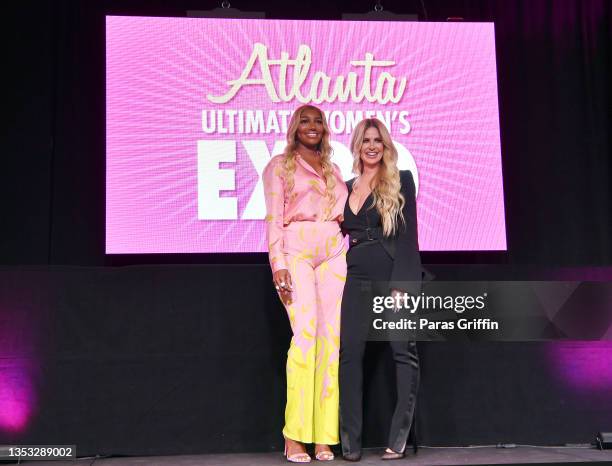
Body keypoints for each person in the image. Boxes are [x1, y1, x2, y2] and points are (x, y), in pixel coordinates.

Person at [262, 105, 348, 463]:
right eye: (306, 120)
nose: (312, 126)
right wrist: (277, 264)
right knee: (306, 338)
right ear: (295, 127)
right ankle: (296, 435)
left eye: (318, 121)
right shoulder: (279, 166)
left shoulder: (334, 169)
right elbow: (272, 219)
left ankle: (324, 436)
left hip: (334, 255)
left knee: (332, 341)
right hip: (295, 251)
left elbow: (347, 214)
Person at [339, 118, 421, 461]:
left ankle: (398, 439)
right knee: (348, 356)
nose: (371, 146)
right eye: (365, 140)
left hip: (392, 276)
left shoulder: (400, 180)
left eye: (377, 140)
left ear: (385, 146)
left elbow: (409, 238)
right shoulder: (345, 186)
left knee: (402, 353)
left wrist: (402, 286)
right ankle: (350, 443)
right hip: (355, 277)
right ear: (357, 146)